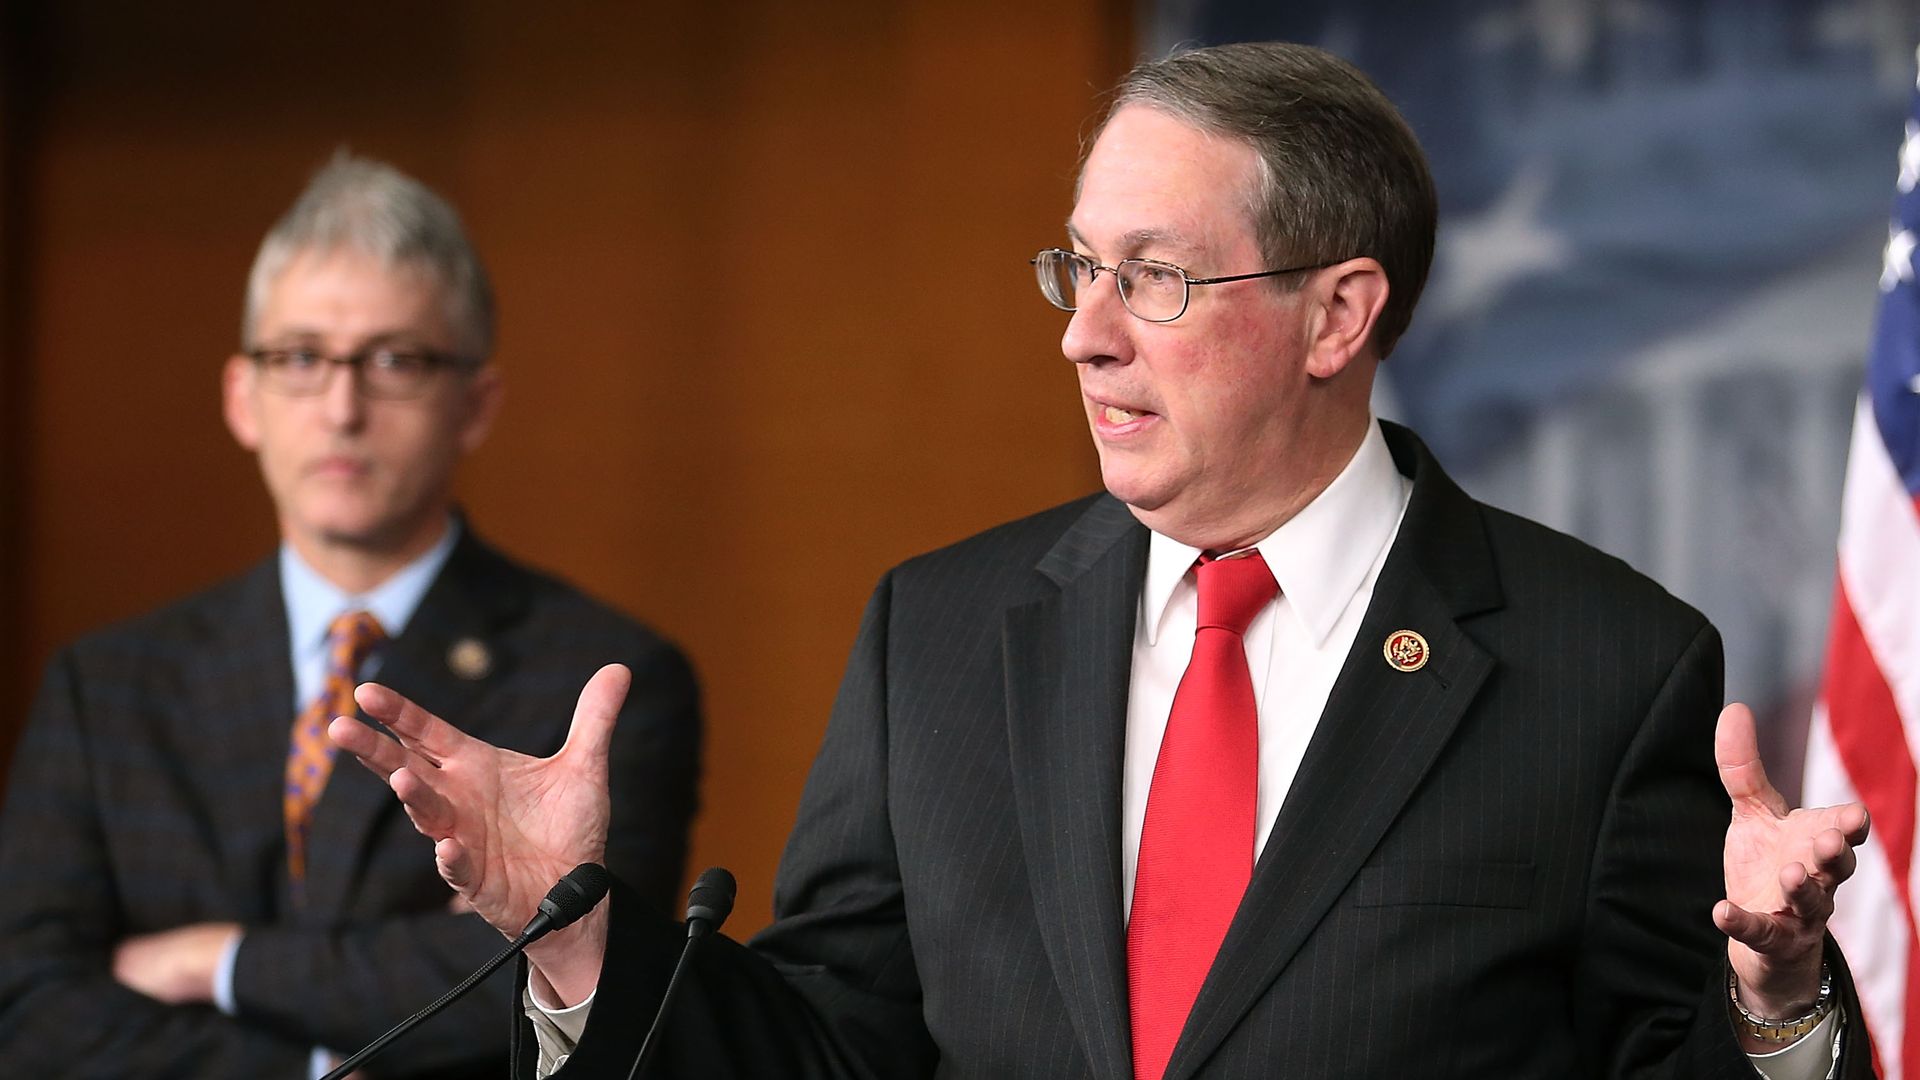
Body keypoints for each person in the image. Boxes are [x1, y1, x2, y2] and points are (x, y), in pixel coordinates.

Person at [333, 44, 1870, 1079]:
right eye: (1081, 266)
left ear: (1338, 317)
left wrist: (1777, 1000)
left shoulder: (1601, 663)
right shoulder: (936, 631)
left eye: (1157, 279)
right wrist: (582, 934)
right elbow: (833, 1047)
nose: (1085, 333)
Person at [0, 155, 702, 1079]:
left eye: (396, 361)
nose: (342, 408)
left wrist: (217, 961)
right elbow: (30, 1005)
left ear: (476, 406)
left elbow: (569, 985)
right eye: (299, 358)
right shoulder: (107, 688)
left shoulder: (605, 680)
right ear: (241, 399)